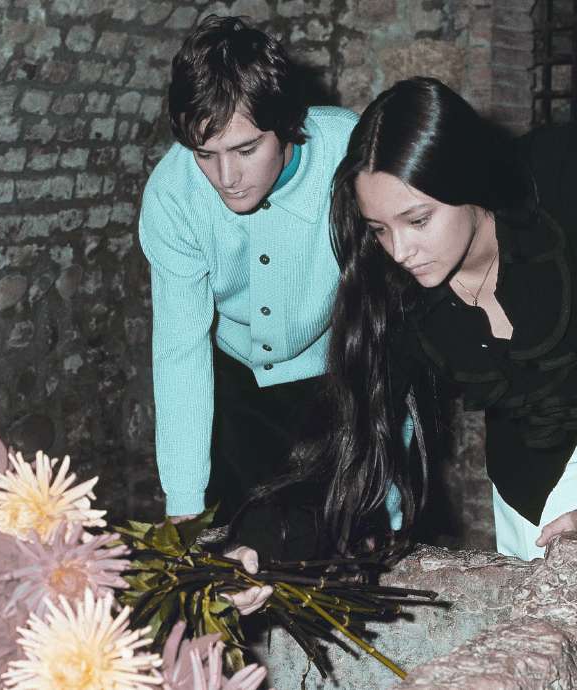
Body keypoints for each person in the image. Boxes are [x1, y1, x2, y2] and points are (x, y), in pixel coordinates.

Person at [300, 77, 577, 573]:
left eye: (418, 220)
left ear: (468, 185)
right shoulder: (393, 284)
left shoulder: (560, 173)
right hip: (535, 459)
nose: (399, 250)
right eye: (379, 229)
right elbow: (353, 425)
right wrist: (268, 535)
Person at [138, 15, 406, 563]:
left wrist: (391, 490)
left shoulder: (347, 153)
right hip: (237, 383)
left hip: (337, 376)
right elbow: (180, 349)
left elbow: (390, 320)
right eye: (204, 154)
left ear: (286, 124)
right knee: (248, 566)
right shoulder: (172, 196)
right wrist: (185, 504)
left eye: (245, 149)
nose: (225, 176)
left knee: (351, 556)